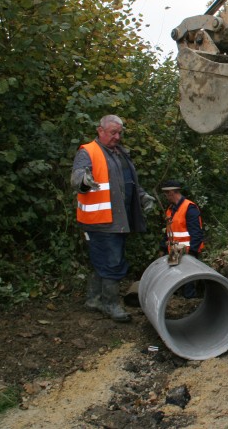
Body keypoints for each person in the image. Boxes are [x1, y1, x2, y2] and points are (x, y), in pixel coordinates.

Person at [71, 115, 156, 322]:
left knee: (103, 261)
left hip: (118, 219)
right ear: (100, 131)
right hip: (100, 220)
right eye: (113, 133)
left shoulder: (119, 154)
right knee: (112, 262)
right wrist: (84, 180)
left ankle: (93, 300)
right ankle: (110, 305)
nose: (117, 137)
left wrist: (143, 196)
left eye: (120, 133)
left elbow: (130, 182)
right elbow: (77, 179)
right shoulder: (88, 152)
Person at [160, 179, 205, 298]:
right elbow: (169, 231)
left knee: (188, 281)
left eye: (165, 194)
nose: (165, 197)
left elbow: (197, 233)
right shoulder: (171, 209)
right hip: (175, 250)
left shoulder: (189, 208)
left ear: (171, 193)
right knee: (177, 279)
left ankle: (190, 301)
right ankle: (181, 299)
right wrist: (163, 247)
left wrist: (192, 252)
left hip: (187, 250)